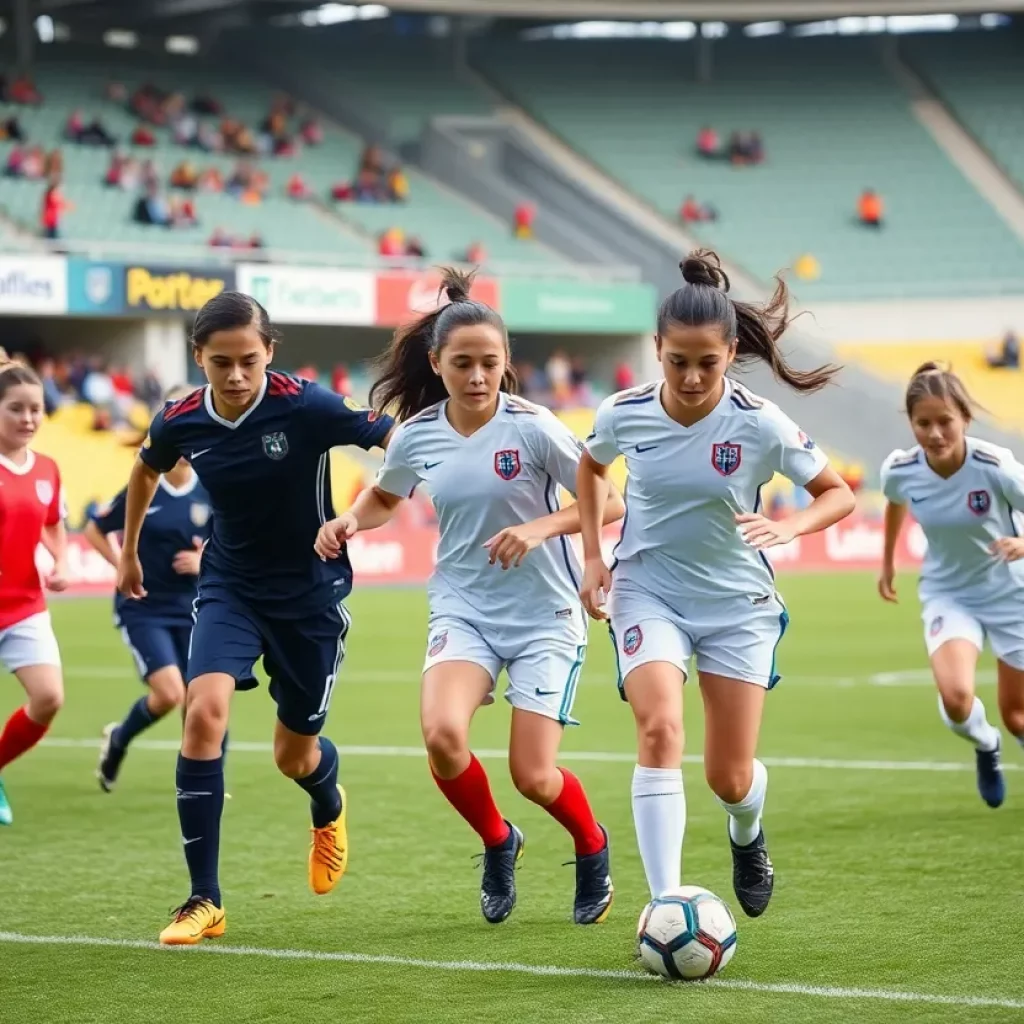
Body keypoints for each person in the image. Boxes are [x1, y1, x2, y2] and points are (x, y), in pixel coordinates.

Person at [314, 268, 624, 926]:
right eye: (463, 364)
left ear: (506, 362)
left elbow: (612, 500)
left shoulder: (535, 427)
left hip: (545, 616)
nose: (477, 376)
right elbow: (385, 496)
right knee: (443, 735)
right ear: (437, 362)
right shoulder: (419, 433)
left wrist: (541, 527)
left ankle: (592, 845)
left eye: (489, 363)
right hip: (465, 609)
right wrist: (350, 520)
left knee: (534, 776)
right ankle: (497, 840)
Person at [575, 250, 855, 919]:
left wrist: (792, 529)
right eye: (678, 361)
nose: (694, 376)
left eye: (708, 361)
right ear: (657, 350)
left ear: (731, 351)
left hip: (737, 605)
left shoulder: (759, 421)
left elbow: (836, 494)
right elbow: (590, 471)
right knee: (659, 731)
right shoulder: (623, 412)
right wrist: (592, 557)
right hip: (649, 589)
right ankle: (666, 903)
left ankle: (746, 832)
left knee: (729, 778)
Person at [115, 292, 394, 945]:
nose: (236, 375)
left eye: (248, 360)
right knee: (202, 711)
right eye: (221, 363)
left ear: (270, 352)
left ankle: (329, 803)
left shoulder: (308, 404)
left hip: (309, 597)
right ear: (198, 360)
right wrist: (127, 554)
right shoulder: (181, 419)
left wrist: (358, 512)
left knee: (292, 757)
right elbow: (143, 470)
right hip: (230, 586)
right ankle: (203, 900)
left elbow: (393, 437)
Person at [878, 363, 1024, 809]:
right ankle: (985, 745)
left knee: (1016, 715)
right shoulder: (900, 469)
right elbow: (895, 503)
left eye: (945, 421)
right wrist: (887, 563)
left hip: (1010, 592)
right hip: (949, 593)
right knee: (957, 699)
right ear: (911, 423)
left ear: (965, 418)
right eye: (924, 423)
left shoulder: (996, 466)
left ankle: (1008, 734)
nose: (936, 433)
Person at [84, 387, 213, 792]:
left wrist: (203, 560)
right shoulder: (144, 481)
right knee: (170, 693)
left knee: (203, 700)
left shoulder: (210, 487)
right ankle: (120, 738)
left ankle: (203, 783)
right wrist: (124, 563)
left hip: (194, 606)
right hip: (144, 607)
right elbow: (94, 529)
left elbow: (228, 540)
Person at [0, 354, 69, 826]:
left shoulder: (47, 468)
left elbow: (53, 524)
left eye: (35, 409)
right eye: (15, 408)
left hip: (24, 604)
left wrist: (62, 560)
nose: (28, 418)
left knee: (49, 697)